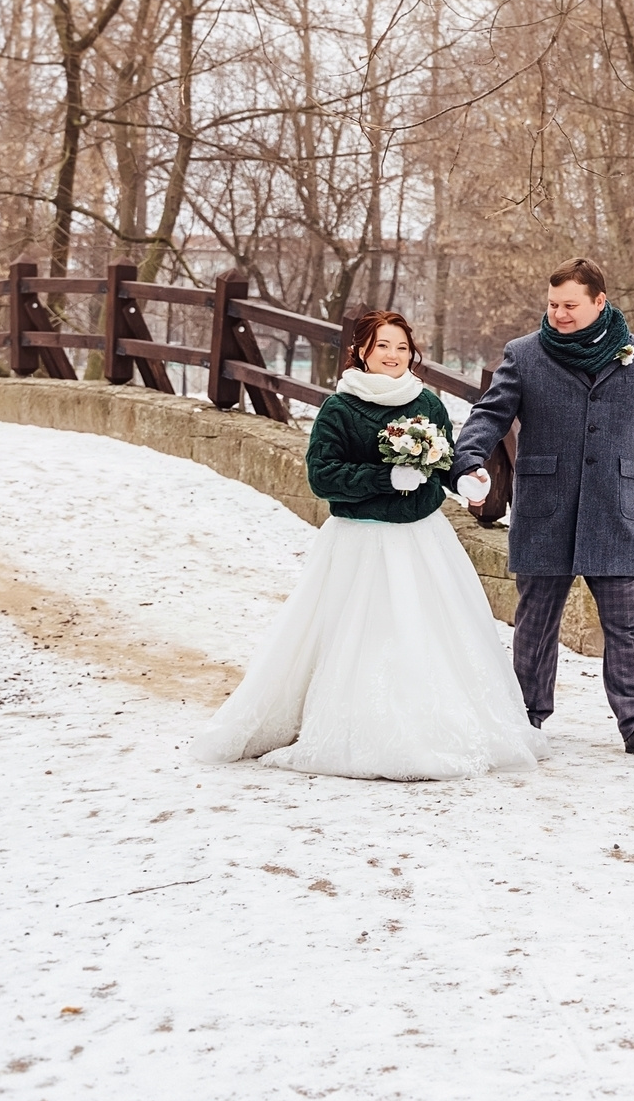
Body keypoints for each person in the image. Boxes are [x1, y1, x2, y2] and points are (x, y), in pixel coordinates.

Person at [190, 309, 548, 780]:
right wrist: (385, 477)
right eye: (383, 346)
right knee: (360, 633)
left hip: (422, 541)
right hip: (358, 542)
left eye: (402, 347)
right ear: (361, 350)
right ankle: (352, 724)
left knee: (427, 632)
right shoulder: (340, 408)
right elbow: (322, 476)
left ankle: (437, 721)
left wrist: (467, 478)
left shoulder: (428, 403)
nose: (393, 356)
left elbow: (442, 461)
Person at [451, 256, 634, 756]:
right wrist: (466, 459)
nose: (559, 313)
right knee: (536, 618)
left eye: (570, 305)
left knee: (625, 621)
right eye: (553, 304)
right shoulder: (525, 354)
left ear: (599, 302)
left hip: (614, 508)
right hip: (544, 508)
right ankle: (527, 717)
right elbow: (489, 415)